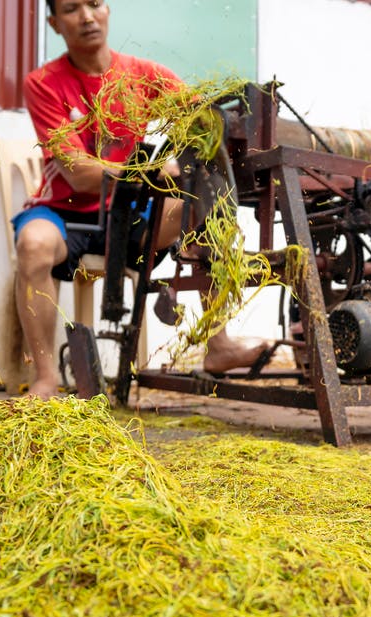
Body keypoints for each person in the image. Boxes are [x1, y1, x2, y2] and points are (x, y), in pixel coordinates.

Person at [15, 0, 267, 399]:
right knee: (33, 245)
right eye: (70, 9)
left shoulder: (144, 75)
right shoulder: (44, 82)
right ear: (54, 23)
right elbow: (78, 175)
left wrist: (204, 148)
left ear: (108, 11)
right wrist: (148, 172)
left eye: (94, 3)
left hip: (131, 214)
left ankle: (219, 346)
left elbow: (203, 125)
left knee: (203, 209)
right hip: (66, 212)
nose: (86, 16)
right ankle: (45, 378)